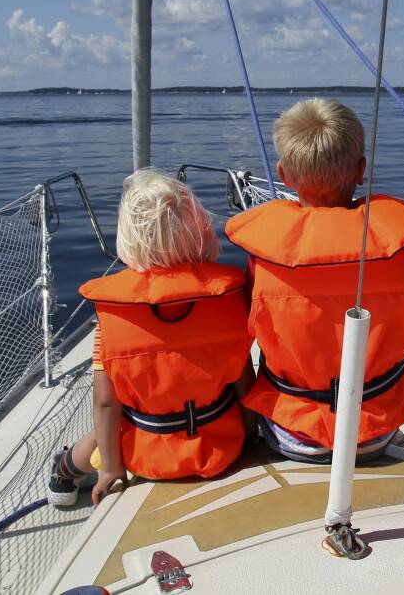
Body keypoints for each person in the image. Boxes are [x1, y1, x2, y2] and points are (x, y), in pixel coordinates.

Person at [225, 98, 404, 463]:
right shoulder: (393, 247)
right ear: (361, 171)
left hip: (292, 434)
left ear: (283, 175)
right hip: (375, 432)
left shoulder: (263, 252)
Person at [48, 170, 255, 507]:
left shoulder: (114, 316)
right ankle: (66, 467)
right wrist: (250, 439)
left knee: (106, 431)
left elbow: (105, 402)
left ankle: (64, 470)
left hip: (147, 455)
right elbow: (243, 381)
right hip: (222, 447)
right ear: (197, 230)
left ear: (129, 238)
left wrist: (112, 469)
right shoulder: (225, 299)